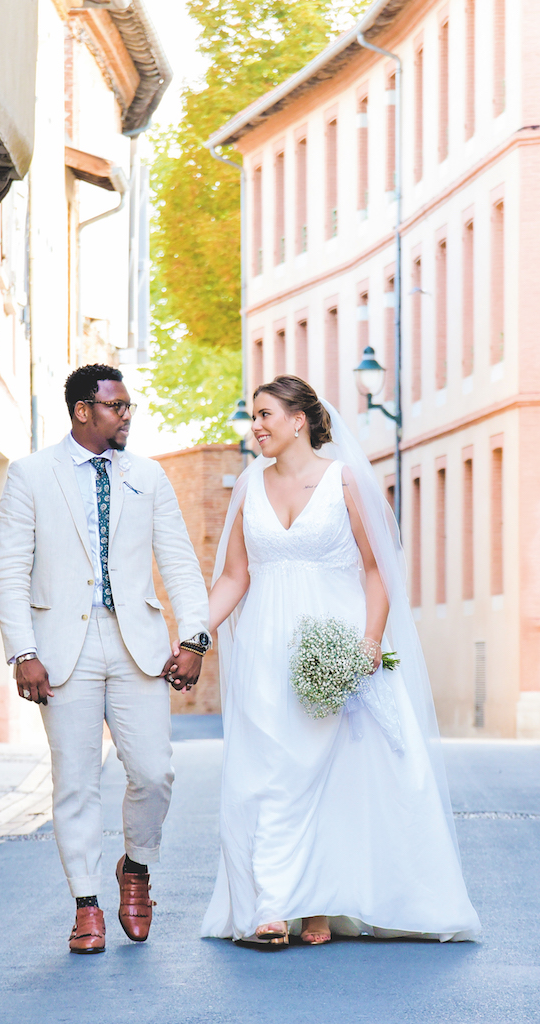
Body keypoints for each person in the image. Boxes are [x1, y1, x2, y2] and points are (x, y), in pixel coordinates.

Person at [200, 375, 480, 947]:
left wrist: (370, 642)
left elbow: (378, 568)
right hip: (263, 648)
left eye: (265, 414)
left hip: (332, 642)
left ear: (299, 419)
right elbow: (234, 575)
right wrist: (193, 636)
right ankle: (275, 905)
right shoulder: (248, 485)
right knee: (268, 772)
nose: (255, 426)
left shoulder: (342, 481)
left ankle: (310, 902)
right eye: (253, 416)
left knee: (331, 773)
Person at [0, 364, 210, 954]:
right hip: (63, 649)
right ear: (83, 410)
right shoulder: (31, 474)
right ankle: (86, 904)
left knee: (153, 772)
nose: (126, 415)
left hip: (137, 644)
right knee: (76, 782)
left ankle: (135, 867)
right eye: (116, 406)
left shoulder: (150, 477)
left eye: (129, 406)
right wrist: (23, 652)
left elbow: (181, 564)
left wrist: (194, 638)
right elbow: (9, 571)